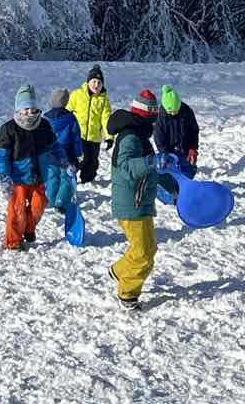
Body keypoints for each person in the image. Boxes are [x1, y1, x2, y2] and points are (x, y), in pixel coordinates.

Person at [107, 88, 178, 310]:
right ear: (143, 117)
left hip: (140, 202)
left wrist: (174, 188)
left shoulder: (139, 136)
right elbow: (127, 167)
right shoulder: (130, 137)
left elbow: (152, 168)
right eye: (152, 119)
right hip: (131, 203)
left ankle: (118, 270)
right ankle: (127, 293)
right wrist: (150, 162)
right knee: (143, 252)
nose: (154, 124)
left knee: (147, 248)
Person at [0, 83, 63, 251]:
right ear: (18, 110)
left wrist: (65, 161)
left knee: (39, 206)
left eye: (32, 110)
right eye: (25, 110)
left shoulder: (44, 125)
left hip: (39, 175)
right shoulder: (9, 129)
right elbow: (2, 156)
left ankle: (29, 229)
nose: (29, 114)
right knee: (17, 211)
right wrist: (4, 177)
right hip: (17, 178)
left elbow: (55, 146)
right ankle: (14, 242)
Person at [66, 65, 113, 184]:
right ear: (88, 82)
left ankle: (87, 181)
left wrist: (109, 137)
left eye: (99, 82)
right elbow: (67, 112)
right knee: (79, 159)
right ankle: (69, 178)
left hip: (94, 138)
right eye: (94, 81)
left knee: (92, 162)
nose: (96, 85)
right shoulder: (77, 95)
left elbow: (105, 118)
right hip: (79, 136)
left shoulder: (103, 99)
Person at [43, 88, 85, 216]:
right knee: (66, 178)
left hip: (50, 155)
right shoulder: (70, 118)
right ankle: (60, 202)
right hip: (67, 154)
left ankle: (49, 200)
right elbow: (76, 137)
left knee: (52, 177)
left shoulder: (45, 118)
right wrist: (78, 154)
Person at [155, 84, 201, 178]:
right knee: (170, 174)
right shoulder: (161, 117)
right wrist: (164, 152)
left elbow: (194, 131)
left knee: (187, 172)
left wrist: (193, 147)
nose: (173, 113)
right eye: (171, 111)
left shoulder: (187, 111)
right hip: (169, 151)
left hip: (185, 149)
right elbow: (159, 137)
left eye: (176, 110)